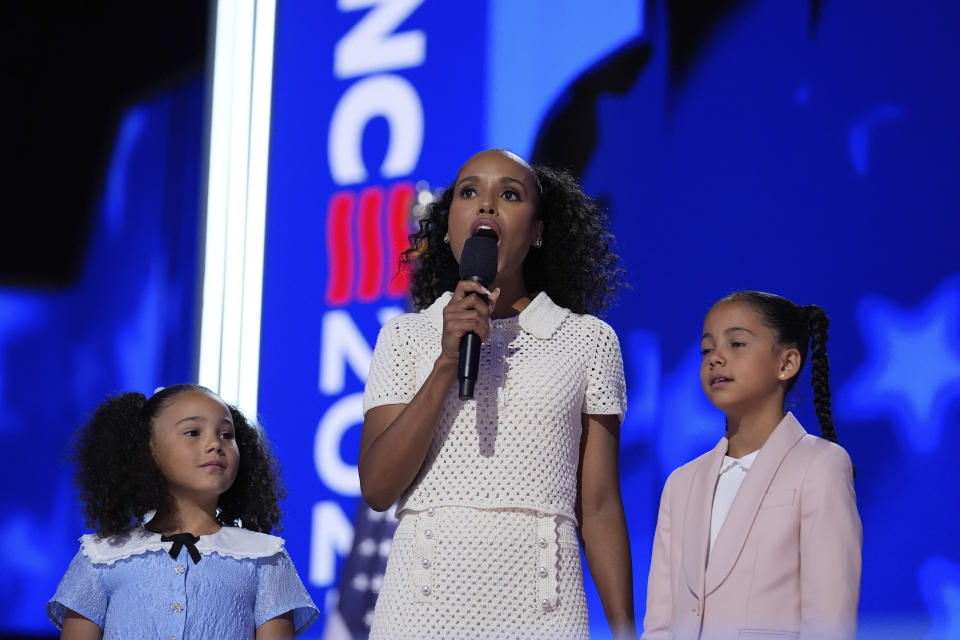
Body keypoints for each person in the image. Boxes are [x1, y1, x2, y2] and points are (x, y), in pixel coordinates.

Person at [359, 148, 634, 639]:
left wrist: (626, 630)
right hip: (420, 611)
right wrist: (446, 361)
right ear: (447, 229)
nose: (487, 205)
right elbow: (378, 487)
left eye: (509, 194)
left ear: (539, 231)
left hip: (544, 611)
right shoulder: (406, 336)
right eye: (469, 192)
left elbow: (599, 506)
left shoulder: (589, 340)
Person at [642, 291, 862, 639]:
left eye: (737, 344)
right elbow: (660, 623)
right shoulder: (681, 484)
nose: (716, 359)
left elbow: (830, 621)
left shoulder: (821, 466)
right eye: (707, 349)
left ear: (786, 363)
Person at [48, 384, 318, 639]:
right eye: (193, 433)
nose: (216, 444)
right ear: (146, 449)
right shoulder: (101, 557)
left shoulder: (265, 557)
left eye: (227, 435)